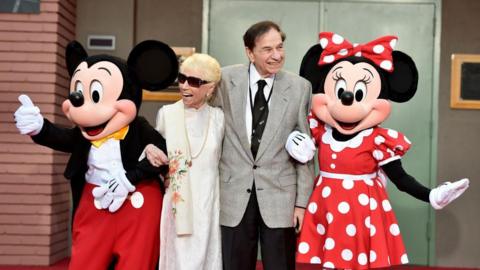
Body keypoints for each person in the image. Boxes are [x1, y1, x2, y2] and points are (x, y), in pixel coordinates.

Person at [287, 32, 469, 269]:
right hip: (325, 208)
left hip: (362, 213)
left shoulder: (377, 140)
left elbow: (400, 179)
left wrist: (431, 195)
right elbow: (296, 146)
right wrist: (291, 140)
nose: (348, 99)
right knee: (328, 262)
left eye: (359, 93)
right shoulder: (321, 131)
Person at [212, 21, 314, 270]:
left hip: (281, 197)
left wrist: (302, 203)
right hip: (233, 194)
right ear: (249, 52)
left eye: (280, 47)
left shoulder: (300, 88)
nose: (277, 55)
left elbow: (306, 151)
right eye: (267, 49)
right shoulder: (223, 80)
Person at [144, 53, 224, 270]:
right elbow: (154, 152)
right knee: (178, 258)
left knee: (207, 256)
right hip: (178, 202)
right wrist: (151, 152)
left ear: (211, 87)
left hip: (209, 200)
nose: (185, 86)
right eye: (182, 78)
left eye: (195, 82)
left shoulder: (219, 118)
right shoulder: (167, 114)